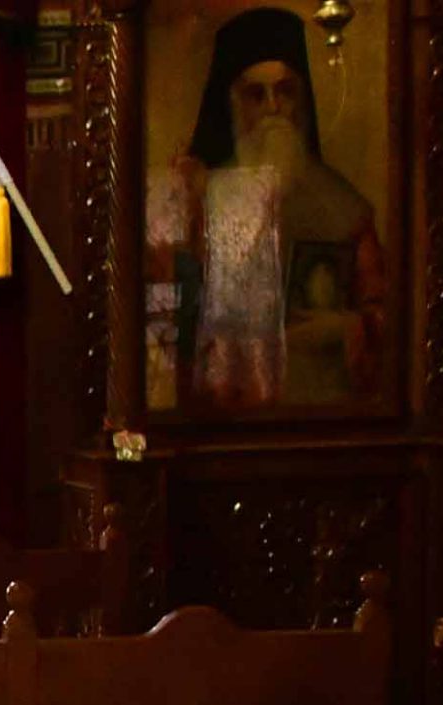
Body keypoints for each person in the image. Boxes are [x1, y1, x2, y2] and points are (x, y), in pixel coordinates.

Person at [152, 6, 386, 410]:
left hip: (321, 412)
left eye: (285, 91)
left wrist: (346, 326)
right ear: (232, 105)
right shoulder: (198, 200)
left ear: (301, 100)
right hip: (226, 416)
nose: (274, 107)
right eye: (256, 95)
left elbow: (380, 311)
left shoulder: (344, 206)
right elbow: (167, 318)